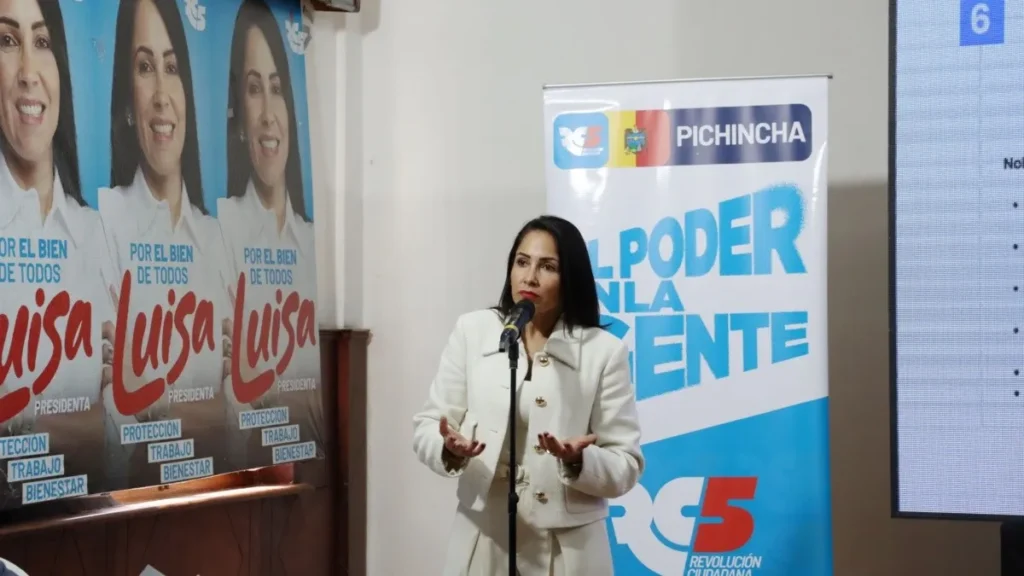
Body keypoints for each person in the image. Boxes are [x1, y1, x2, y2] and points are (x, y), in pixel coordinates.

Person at [412, 215, 644, 575]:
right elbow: (428, 425)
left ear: (571, 278)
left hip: (568, 551)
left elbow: (626, 464)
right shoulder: (473, 331)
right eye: (522, 262)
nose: (530, 277)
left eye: (547, 266)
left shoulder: (604, 353)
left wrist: (579, 461)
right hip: (482, 539)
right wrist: (448, 447)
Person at [98, 0, 232, 487]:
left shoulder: (219, 241)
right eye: (144, 67)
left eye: (172, 68)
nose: (160, 95)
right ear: (126, 103)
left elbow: (241, 431)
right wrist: (209, 409)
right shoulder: (102, 226)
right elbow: (110, 441)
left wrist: (153, 405)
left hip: (214, 495)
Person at [0, 0, 113, 447]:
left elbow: (126, 439)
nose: (29, 72)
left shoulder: (100, 235)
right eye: (8, 41)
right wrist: (86, 424)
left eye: (43, 42)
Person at [217, 0, 320, 469]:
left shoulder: (309, 241)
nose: (267, 114)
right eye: (253, 89)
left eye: (277, 89)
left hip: (292, 470)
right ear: (237, 116)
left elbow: (311, 418)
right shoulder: (218, 232)